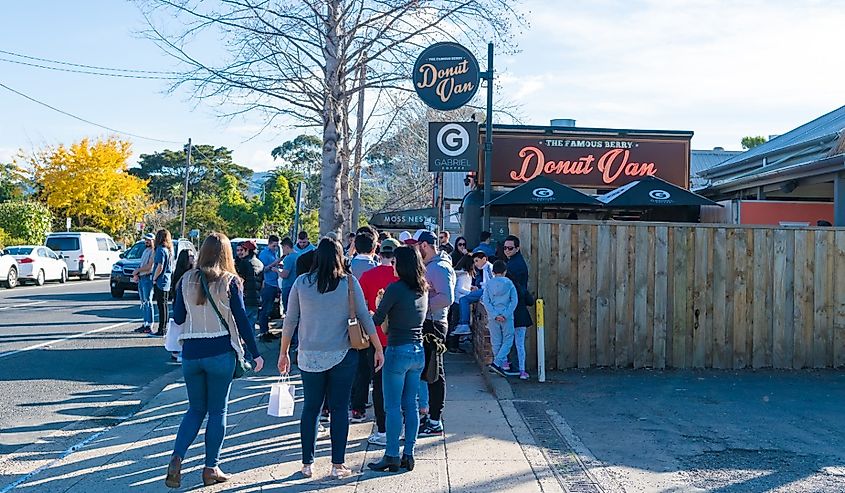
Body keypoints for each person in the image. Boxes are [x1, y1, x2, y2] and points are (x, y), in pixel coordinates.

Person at [163, 233, 265, 489]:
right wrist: (256, 353)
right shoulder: (230, 282)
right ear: (226, 254)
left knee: (195, 409)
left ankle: (177, 458)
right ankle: (211, 467)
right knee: (218, 410)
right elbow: (242, 321)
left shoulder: (185, 280)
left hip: (191, 355)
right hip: (220, 351)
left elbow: (177, 316)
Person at [278, 238, 385, 480]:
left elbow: (290, 320)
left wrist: (283, 352)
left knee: (311, 409)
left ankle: (307, 464)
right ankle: (338, 464)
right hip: (342, 354)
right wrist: (377, 348)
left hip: (309, 355)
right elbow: (365, 319)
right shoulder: (348, 283)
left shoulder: (301, 283)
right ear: (340, 257)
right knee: (339, 409)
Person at [367, 245, 428, 473]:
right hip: (417, 350)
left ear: (400, 265)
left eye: (394, 263)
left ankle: (391, 454)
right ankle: (409, 454)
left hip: (396, 350)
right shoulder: (423, 289)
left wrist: (377, 303)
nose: (391, 265)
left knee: (392, 407)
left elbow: (378, 319)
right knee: (411, 404)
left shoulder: (394, 289)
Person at [358, 238, 401, 446]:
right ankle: (397, 428)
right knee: (399, 385)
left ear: (379, 252)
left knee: (378, 385)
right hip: (399, 337)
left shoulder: (367, 276)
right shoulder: (402, 278)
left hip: (375, 337)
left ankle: (383, 429)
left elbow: (364, 306)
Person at [413, 230, 455, 437]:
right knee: (429, 372)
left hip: (434, 324)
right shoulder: (435, 265)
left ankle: (435, 420)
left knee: (435, 373)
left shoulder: (438, 267)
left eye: (416, 246)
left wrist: (424, 305)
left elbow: (447, 298)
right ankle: (431, 417)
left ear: (424, 246)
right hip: (431, 322)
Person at [349, 231, 381, 422]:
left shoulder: (347, 266)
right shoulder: (375, 268)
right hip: (369, 322)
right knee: (365, 366)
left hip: (347, 320)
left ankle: (352, 402)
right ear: (374, 247)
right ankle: (359, 405)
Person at [482, 260, 519, 377]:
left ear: (493, 272)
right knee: (508, 340)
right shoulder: (509, 283)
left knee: (496, 341)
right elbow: (514, 301)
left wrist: (494, 314)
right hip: (507, 317)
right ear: (505, 271)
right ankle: (498, 363)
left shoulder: (488, 284)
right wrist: (505, 314)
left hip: (493, 317)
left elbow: (486, 301)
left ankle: (500, 365)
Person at [504, 235, 532, 379]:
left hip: (515, 309)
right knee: (518, 342)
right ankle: (520, 369)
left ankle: (514, 366)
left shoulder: (514, 267)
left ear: (517, 248)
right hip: (520, 308)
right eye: (505, 248)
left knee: (511, 340)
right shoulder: (517, 263)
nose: (507, 251)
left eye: (510, 248)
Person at [453, 248, 494, 335]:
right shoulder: (485, 268)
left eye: (477, 261)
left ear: (484, 259)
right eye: (474, 261)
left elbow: (492, 281)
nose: (475, 264)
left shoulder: (489, 267)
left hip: (486, 291)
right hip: (485, 291)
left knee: (464, 300)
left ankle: (464, 324)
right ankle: (463, 324)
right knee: (464, 300)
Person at [446, 254, 474, 353]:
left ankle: (452, 345)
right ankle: (453, 346)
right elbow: (460, 288)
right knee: (456, 324)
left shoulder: (458, 273)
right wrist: (471, 293)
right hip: (459, 302)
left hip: (456, 301)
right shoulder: (464, 275)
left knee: (454, 323)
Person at [235, 240, 263, 335]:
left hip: (245, 299)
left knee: (241, 328)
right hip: (256, 299)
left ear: (247, 250)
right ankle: (252, 348)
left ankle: (243, 348)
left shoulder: (245, 263)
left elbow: (239, 281)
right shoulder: (260, 263)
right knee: (251, 328)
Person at [258, 235, 282, 342]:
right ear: (269, 244)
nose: (275, 248)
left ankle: (267, 331)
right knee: (265, 310)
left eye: (277, 246)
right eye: (274, 246)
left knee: (269, 310)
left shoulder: (274, 253)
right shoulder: (264, 254)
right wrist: (275, 263)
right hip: (267, 284)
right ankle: (263, 333)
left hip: (274, 284)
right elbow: (263, 269)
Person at [151, 229, 174, 337]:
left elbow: (160, 266)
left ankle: (162, 329)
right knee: (164, 305)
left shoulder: (160, 250)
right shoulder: (168, 250)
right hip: (167, 280)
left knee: (161, 305)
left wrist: (154, 278)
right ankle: (164, 328)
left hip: (161, 280)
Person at [132, 233, 155, 334]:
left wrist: (137, 270)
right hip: (142, 278)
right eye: (146, 239)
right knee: (143, 302)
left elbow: (149, 267)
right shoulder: (145, 250)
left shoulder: (154, 252)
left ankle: (150, 324)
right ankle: (145, 323)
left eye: (149, 240)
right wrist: (137, 274)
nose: (147, 241)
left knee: (148, 301)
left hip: (148, 278)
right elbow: (142, 264)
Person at [277, 237, 297, 313]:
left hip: (288, 286)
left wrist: (277, 271)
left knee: (288, 310)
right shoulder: (299, 255)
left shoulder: (288, 258)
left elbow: (285, 274)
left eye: (283, 248)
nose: (283, 250)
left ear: (287, 247)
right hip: (296, 286)